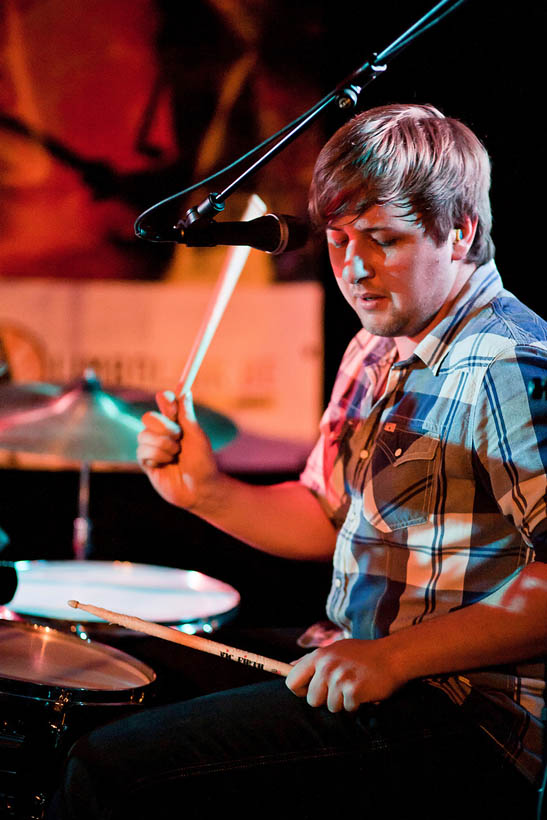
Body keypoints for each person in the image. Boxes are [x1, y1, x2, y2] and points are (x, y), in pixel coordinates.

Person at [47, 104, 547, 819]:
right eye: (341, 240)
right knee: (105, 685)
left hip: (464, 717)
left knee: (110, 773)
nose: (353, 266)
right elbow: (327, 518)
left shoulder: (509, 364)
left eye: (382, 240)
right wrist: (206, 492)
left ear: (460, 232)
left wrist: (393, 658)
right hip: (359, 665)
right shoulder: (374, 348)